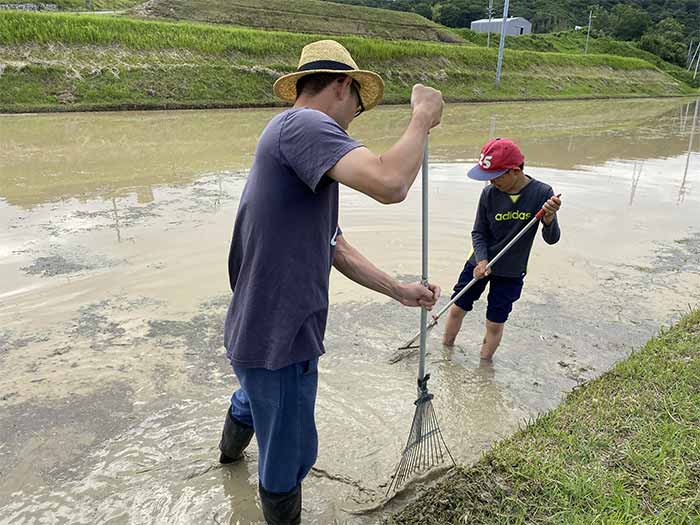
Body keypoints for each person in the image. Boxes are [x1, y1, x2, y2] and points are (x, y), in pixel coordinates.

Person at [218, 39, 444, 524]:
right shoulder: (305, 124)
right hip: (278, 334)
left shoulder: (295, 149)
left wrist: (397, 289)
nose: (350, 121)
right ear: (343, 86)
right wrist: (422, 117)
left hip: (260, 327)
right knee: (289, 458)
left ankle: (227, 464)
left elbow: (333, 245)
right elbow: (390, 183)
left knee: (253, 400)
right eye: (357, 109)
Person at [442, 138, 561, 361]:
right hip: (479, 262)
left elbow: (552, 239)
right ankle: (445, 353)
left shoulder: (542, 193)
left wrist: (549, 217)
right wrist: (481, 260)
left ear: (514, 171)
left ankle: (484, 368)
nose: (490, 182)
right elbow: (478, 233)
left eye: (494, 177)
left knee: (495, 322)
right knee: (458, 307)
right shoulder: (489, 194)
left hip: (511, 270)